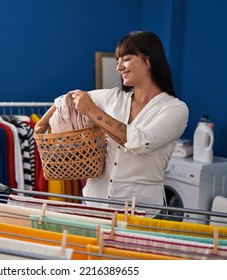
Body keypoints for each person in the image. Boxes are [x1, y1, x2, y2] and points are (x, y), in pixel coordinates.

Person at [35, 31, 189, 217]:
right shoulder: (112, 97)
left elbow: (139, 142)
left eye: (126, 59)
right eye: (117, 61)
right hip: (93, 204)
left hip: (139, 213)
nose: (119, 67)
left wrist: (92, 110)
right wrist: (40, 126)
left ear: (149, 60)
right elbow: (66, 99)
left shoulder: (175, 109)